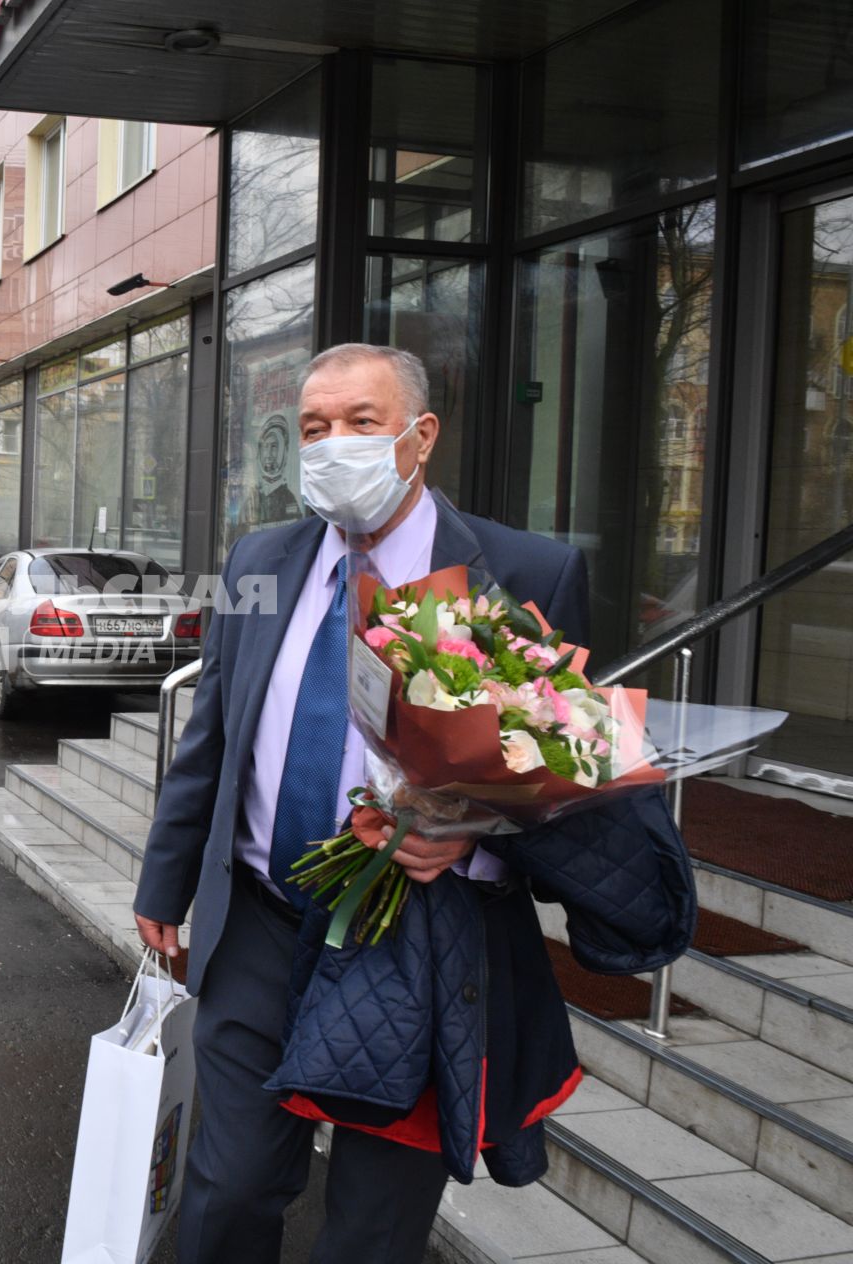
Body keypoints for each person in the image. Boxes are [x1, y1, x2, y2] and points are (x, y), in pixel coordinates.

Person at [133, 343, 681, 1263]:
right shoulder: (259, 558)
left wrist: (472, 841)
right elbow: (214, 741)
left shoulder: (523, 571)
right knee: (222, 1198)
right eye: (313, 429)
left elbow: (565, 774)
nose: (332, 445)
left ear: (420, 436)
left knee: (371, 1229)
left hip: (417, 942)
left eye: (361, 423)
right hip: (261, 925)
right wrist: (164, 881)